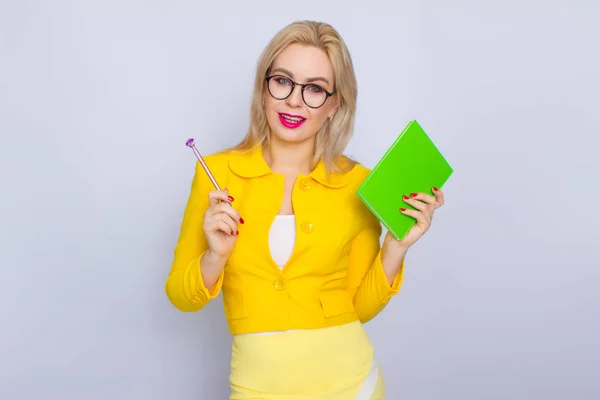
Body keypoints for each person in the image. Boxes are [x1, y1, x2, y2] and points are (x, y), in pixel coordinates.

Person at [165, 20, 445, 400]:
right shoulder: (215, 174)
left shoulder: (357, 183)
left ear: (334, 105)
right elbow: (180, 296)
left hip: (350, 384)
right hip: (256, 386)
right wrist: (215, 257)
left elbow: (358, 307)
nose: (294, 100)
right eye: (282, 81)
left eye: (315, 88)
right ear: (263, 89)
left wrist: (396, 247)